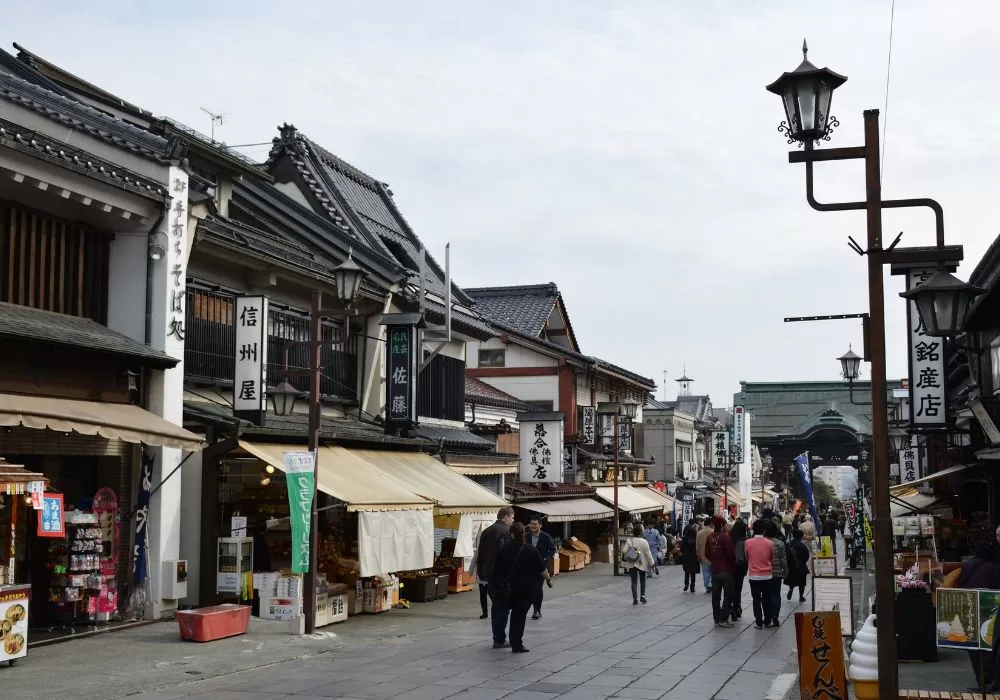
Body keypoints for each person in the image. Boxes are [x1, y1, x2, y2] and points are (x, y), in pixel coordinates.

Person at [490, 522, 547, 653]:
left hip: (507, 589)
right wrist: (548, 578)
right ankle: (516, 644)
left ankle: (499, 638)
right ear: (523, 534)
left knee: (502, 612)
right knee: (518, 617)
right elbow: (542, 569)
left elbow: (496, 569)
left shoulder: (504, 549)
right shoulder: (530, 549)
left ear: (511, 533)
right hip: (525, 590)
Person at [479, 506, 514, 647]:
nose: (513, 520)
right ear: (506, 517)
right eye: (512, 517)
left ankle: (497, 637)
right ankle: (499, 638)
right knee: (503, 608)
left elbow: (480, 553)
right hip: (501, 575)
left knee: (496, 606)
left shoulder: (487, 531)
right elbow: (505, 555)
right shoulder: (505, 532)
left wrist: (482, 573)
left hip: (488, 575)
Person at [705, 516, 736, 627]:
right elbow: (731, 555)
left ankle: (717, 618)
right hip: (726, 570)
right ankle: (724, 618)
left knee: (716, 596)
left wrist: (715, 561)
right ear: (722, 526)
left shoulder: (709, 537)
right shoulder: (726, 538)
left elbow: (707, 554)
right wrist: (732, 565)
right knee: (728, 595)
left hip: (714, 571)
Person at [744, 518, 775, 629]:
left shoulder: (747, 542)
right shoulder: (770, 543)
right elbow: (771, 558)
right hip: (767, 575)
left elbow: (747, 557)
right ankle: (768, 621)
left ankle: (758, 622)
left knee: (756, 600)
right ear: (764, 531)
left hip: (754, 575)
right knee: (767, 599)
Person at [526, 517, 556, 620]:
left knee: (537, 588)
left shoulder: (545, 537)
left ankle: (536, 610)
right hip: (529, 567)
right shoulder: (526, 536)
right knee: (531, 588)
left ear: (540, 525)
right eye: (531, 524)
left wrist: (546, 557)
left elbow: (552, 549)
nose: (533, 526)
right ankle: (548, 580)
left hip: (541, 567)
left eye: (535, 524)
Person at [622, 523, 658, 604]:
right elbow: (648, 554)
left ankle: (635, 599)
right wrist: (653, 565)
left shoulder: (629, 540)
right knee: (643, 580)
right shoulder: (644, 542)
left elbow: (624, 551)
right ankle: (642, 596)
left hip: (632, 563)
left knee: (634, 581)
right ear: (641, 532)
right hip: (642, 563)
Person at [765, 519, 789, 627]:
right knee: (776, 595)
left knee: (766, 596)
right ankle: (775, 615)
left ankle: (768, 616)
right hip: (777, 572)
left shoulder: (763, 543)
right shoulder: (780, 543)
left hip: (765, 573)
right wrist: (785, 571)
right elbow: (783, 559)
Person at [729, 518, 749, 622]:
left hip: (731, 566)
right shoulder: (745, 541)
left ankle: (731, 607)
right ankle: (737, 607)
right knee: (738, 588)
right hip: (741, 567)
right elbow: (747, 556)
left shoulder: (730, 539)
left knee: (730, 589)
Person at [785, 529, 811, 602]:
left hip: (791, 567)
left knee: (792, 580)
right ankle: (801, 596)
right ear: (800, 537)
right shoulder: (802, 545)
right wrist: (802, 562)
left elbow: (785, 555)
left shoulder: (788, 544)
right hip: (801, 567)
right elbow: (807, 555)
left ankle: (791, 589)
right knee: (802, 583)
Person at [696, 516, 714, 593]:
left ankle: (707, 586)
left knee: (706, 571)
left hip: (702, 555)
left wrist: (698, 555)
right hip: (713, 555)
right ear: (710, 523)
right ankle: (710, 584)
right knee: (713, 571)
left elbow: (697, 546)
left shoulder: (699, 533)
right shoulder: (713, 531)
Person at [681, 519, 700, 591]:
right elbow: (697, 548)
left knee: (686, 572)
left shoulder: (684, 540)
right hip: (693, 557)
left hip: (686, 557)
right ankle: (692, 586)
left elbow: (682, 549)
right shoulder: (695, 540)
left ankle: (686, 585)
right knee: (693, 573)